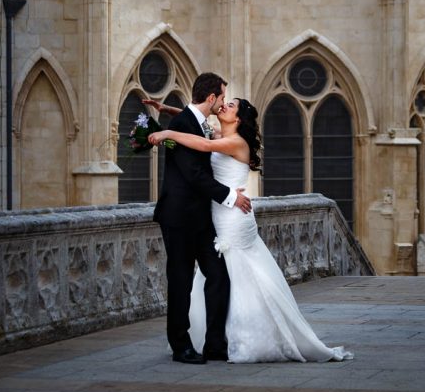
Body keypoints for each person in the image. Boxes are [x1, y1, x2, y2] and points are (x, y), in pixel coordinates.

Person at [148, 97, 352, 363]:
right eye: (224, 101)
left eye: (230, 105)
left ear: (239, 119)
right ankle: (218, 338)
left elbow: (204, 143)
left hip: (233, 217)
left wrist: (167, 132)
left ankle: (243, 336)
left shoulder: (235, 143)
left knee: (238, 273)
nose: (224, 106)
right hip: (219, 214)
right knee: (222, 275)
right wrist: (170, 111)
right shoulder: (222, 133)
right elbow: (198, 125)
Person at [148, 73, 251, 365]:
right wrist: (231, 197)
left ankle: (215, 344)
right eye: (222, 97)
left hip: (202, 219)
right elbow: (193, 175)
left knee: (218, 276)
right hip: (178, 217)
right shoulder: (183, 125)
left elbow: (200, 133)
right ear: (211, 98)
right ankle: (180, 345)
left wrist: (168, 111)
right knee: (180, 280)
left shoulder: (194, 123)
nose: (223, 104)